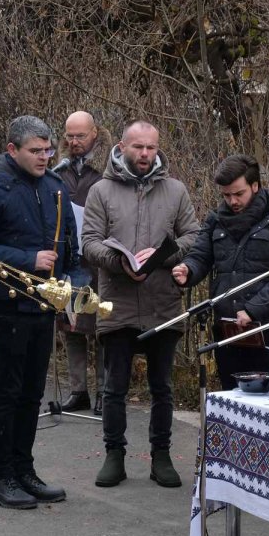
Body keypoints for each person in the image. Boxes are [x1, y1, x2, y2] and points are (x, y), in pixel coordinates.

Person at [0, 115, 78, 509]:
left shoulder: (54, 187)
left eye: (48, 150)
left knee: (32, 393)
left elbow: (69, 251)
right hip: (6, 306)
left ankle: (25, 469)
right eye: (35, 151)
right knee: (8, 392)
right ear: (12, 150)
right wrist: (29, 258)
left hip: (45, 305)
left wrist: (72, 290)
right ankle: (2, 475)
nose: (45, 157)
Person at [80, 120, 199, 488]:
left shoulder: (175, 190)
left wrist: (165, 255)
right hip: (117, 304)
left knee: (161, 387)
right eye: (138, 147)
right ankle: (114, 455)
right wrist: (120, 261)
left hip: (163, 304)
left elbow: (194, 236)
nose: (145, 154)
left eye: (151, 147)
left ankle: (161, 456)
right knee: (113, 387)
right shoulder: (101, 191)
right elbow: (89, 242)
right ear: (122, 146)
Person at [171, 154, 269, 388]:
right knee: (230, 398)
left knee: (266, 403)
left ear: (255, 185)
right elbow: (200, 256)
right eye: (226, 195)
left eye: (238, 193)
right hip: (226, 327)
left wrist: (253, 310)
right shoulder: (215, 221)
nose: (232, 201)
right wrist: (188, 270)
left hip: (267, 329)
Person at [55, 110, 110, 415]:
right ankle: (79, 390)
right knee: (71, 325)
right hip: (69, 257)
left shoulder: (107, 170)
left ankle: (104, 390)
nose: (74, 142)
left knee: (101, 326)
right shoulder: (57, 171)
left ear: (94, 134)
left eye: (80, 136)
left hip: (99, 258)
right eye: (70, 136)